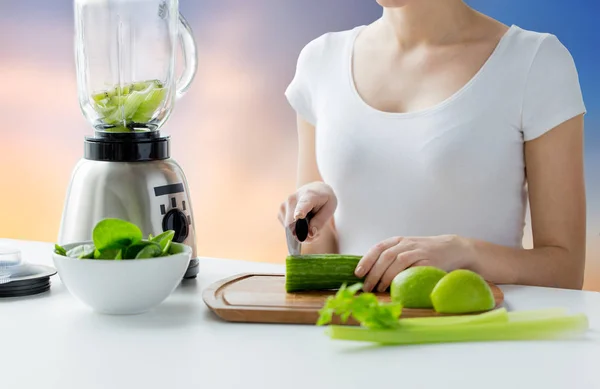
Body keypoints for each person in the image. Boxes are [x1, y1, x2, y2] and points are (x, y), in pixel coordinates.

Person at [278, 0, 587, 292]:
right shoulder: (320, 60)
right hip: (357, 337)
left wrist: (466, 253)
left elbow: (565, 270)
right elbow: (319, 259)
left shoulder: (534, 61)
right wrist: (308, 227)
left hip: (481, 339)